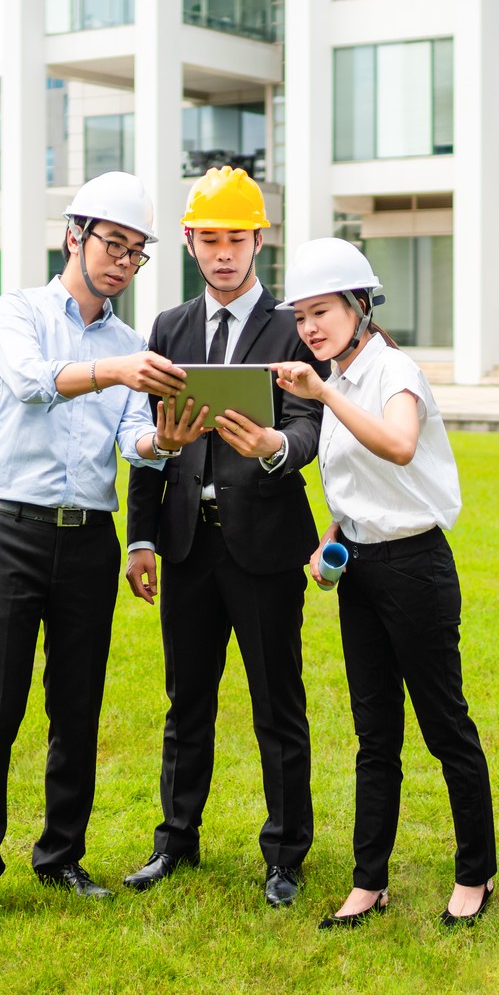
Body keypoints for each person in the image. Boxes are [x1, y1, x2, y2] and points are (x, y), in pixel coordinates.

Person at [0, 171, 204, 939]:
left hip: (89, 539)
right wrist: (117, 372)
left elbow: (135, 439)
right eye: (113, 244)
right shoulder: (18, 311)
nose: (125, 261)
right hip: (13, 532)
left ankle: (60, 855)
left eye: (137, 251)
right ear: (75, 236)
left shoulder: (133, 344)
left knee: (77, 710)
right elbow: (31, 386)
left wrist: (168, 437)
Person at [268, 238, 498, 931]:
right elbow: (357, 487)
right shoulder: (334, 376)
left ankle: (475, 871)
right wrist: (332, 539)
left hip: (416, 568)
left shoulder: (393, 370)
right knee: (375, 736)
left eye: (322, 311)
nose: (310, 328)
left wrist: (323, 393)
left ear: (359, 306)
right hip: (361, 570)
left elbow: (398, 444)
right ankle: (369, 881)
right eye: (302, 316)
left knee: (443, 726)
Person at [120, 168, 326, 910]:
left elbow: (312, 425)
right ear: (188, 243)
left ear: (259, 240)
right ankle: (175, 840)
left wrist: (276, 443)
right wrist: (140, 538)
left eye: (235, 238)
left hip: (267, 543)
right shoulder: (169, 328)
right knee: (187, 702)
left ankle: (285, 854)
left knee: (278, 702)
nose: (223, 253)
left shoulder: (293, 327)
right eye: (209, 239)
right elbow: (148, 439)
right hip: (186, 546)